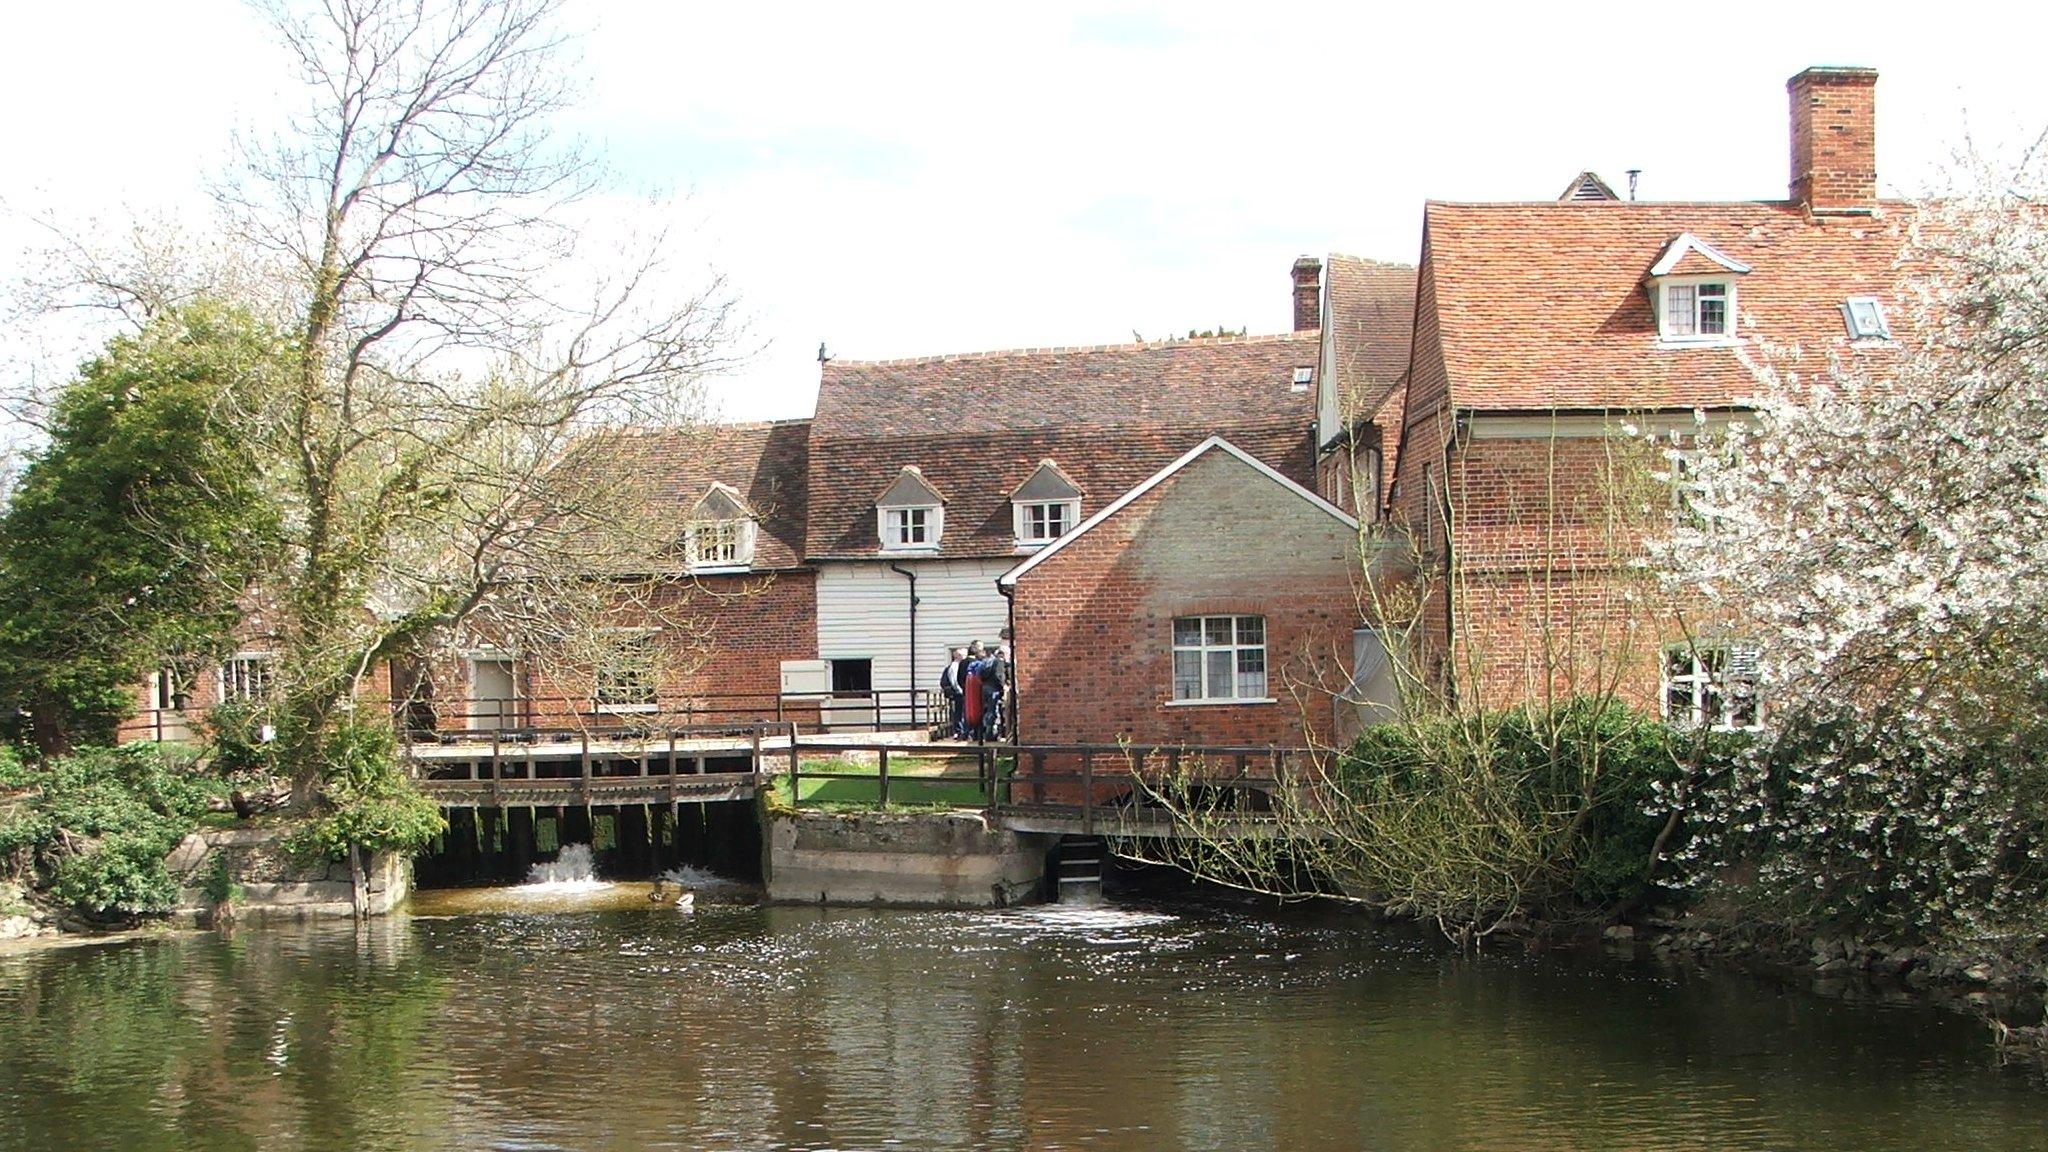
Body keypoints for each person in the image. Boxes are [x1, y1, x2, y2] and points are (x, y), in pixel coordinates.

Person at [938, 647, 967, 739]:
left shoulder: (958, 665)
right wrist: (960, 690)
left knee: (959, 712)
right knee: (959, 712)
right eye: (963, 655)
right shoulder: (955, 666)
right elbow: (954, 681)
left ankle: (961, 731)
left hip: (958, 693)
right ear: (958, 656)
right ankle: (959, 731)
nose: (964, 657)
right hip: (958, 693)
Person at [962, 641, 986, 740]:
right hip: (974, 692)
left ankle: (970, 733)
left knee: (971, 712)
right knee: (973, 712)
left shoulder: (966, 664)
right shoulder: (976, 664)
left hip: (971, 691)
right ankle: (973, 734)